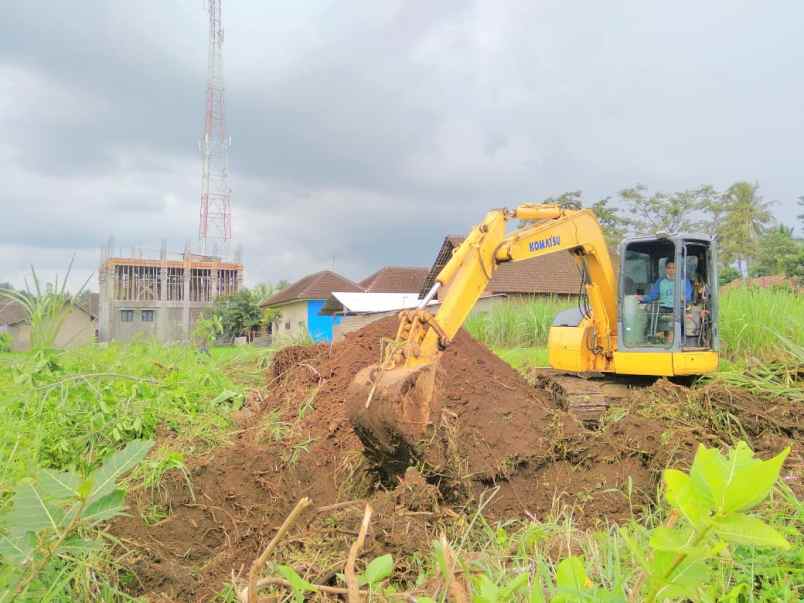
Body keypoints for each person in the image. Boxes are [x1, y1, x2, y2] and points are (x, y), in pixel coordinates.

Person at [637, 260, 692, 343]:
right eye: (669, 268)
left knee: (679, 318)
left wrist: (683, 299)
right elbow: (652, 296)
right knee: (649, 312)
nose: (671, 270)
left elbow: (688, 297)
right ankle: (650, 337)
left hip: (679, 308)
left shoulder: (685, 281)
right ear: (666, 269)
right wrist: (642, 298)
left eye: (674, 268)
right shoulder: (660, 281)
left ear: (678, 269)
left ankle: (676, 339)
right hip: (663, 308)